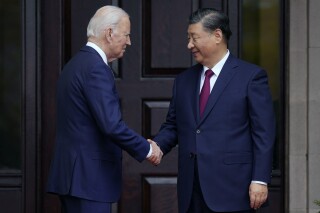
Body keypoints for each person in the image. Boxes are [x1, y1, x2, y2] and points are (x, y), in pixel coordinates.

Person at [153, 8, 275, 213]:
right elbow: (173, 125)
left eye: (194, 38)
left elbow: (264, 133)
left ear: (217, 35)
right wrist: (156, 146)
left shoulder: (251, 77)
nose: (189, 45)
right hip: (192, 189)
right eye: (188, 38)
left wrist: (260, 179)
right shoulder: (183, 80)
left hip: (234, 189)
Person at [46, 5, 162, 213]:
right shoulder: (95, 68)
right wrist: (147, 149)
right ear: (109, 33)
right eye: (126, 35)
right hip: (88, 180)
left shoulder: (75, 64)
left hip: (74, 178)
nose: (129, 41)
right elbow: (111, 125)